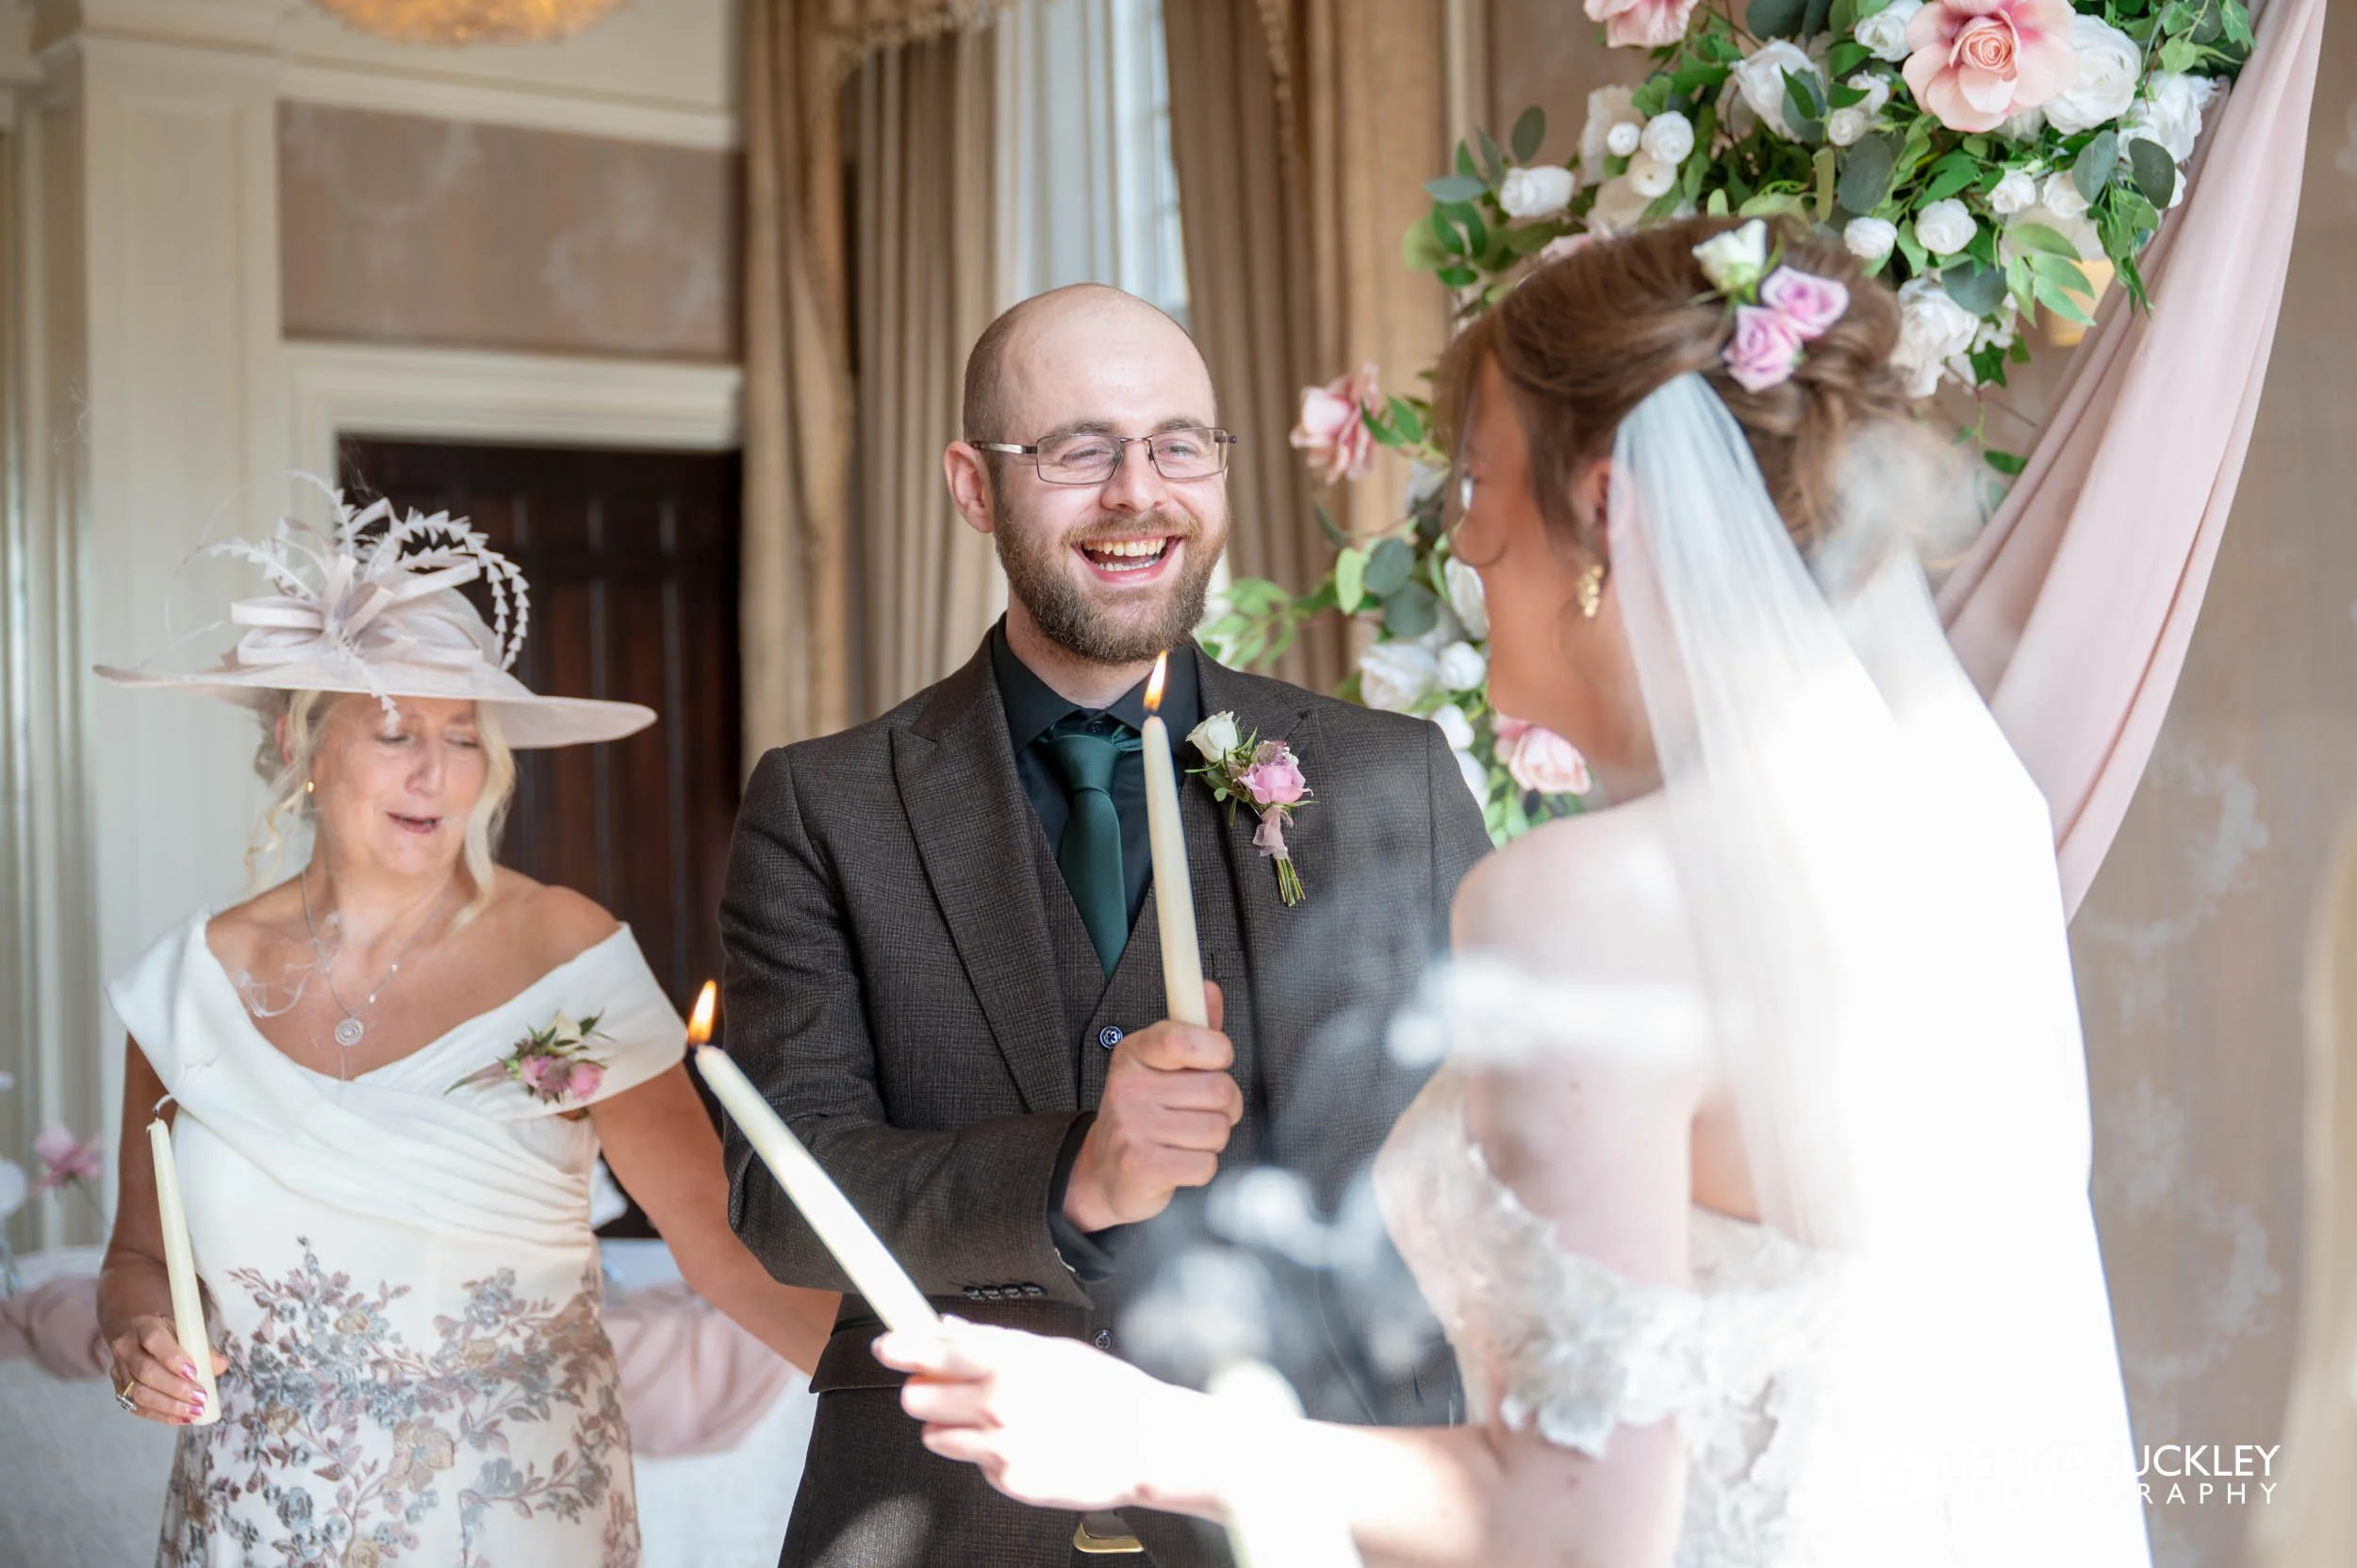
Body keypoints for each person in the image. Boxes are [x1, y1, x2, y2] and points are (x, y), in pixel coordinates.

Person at [876, 218, 2153, 1567]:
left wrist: (1143, 1435)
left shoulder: (1592, 898)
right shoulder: (1963, 808)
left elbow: (1573, 1516)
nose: (1464, 537)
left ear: (1605, 507)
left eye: (1478, 478)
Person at [718, 282, 1493, 1565]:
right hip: (946, 1518)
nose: (1140, 491)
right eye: (1079, 449)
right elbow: (779, 1186)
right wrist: (1073, 1170)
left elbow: (1505, 1154)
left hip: (1319, 1507)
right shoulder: (825, 804)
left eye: (1180, 443)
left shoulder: (1387, 776)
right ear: (974, 485)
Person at [92, 492, 838, 1567]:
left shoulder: (562, 957)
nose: (434, 773)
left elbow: (716, 1242)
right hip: (255, 1517)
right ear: (298, 741)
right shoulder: (186, 986)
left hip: (513, 1511)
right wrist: (135, 1338)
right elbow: (133, 1258)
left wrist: (910, 1396)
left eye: (462, 737)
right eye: (395, 730)